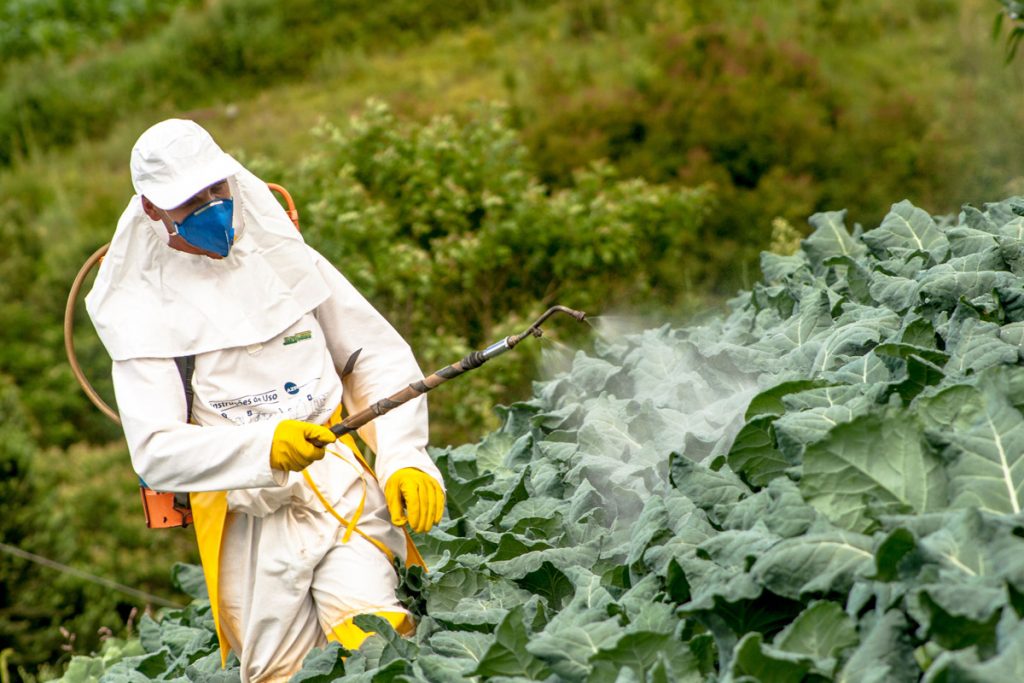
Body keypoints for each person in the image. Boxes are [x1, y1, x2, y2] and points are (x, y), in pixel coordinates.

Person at [85, 118, 446, 682]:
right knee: (282, 672)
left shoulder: (281, 251)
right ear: (153, 209)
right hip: (247, 519)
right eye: (190, 201)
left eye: (216, 188)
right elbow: (155, 451)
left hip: (338, 484)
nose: (212, 206)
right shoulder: (138, 305)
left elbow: (373, 356)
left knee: (375, 642)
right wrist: (265, 447)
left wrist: (404, 456)